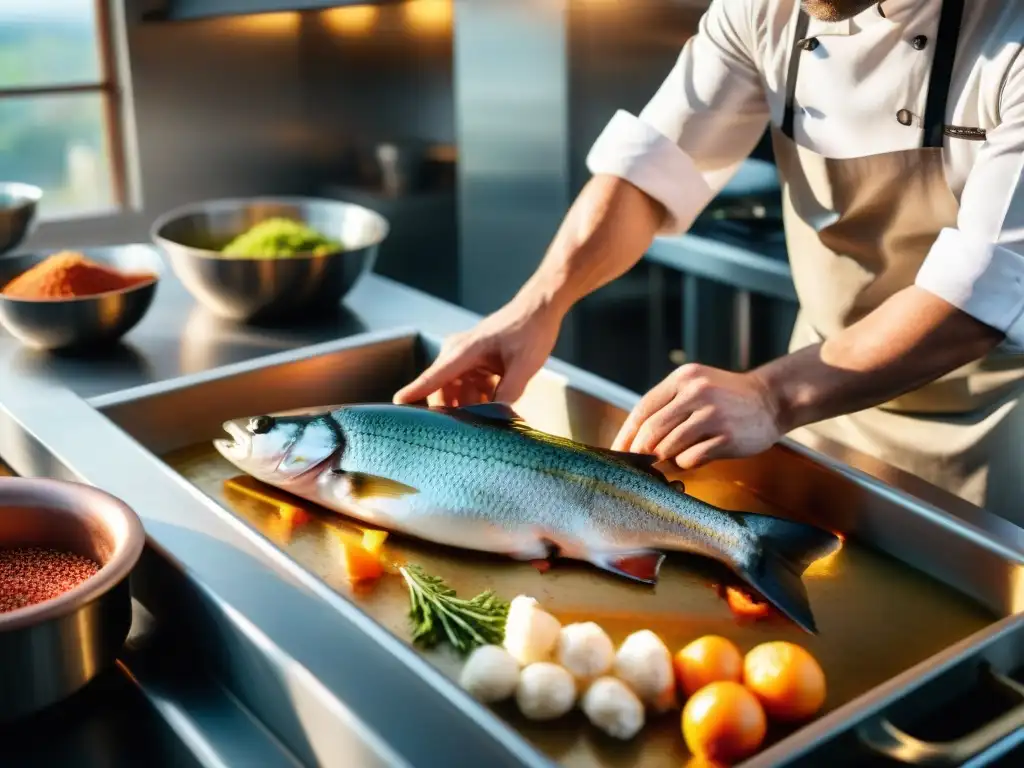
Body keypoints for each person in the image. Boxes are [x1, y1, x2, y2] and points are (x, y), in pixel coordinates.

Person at [395, 0, 1024, 526]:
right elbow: (651, 169)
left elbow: (982, 288)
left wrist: (772, 394)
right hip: (822, 384)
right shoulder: (766, 8)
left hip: (981, 427)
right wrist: (535, 307)